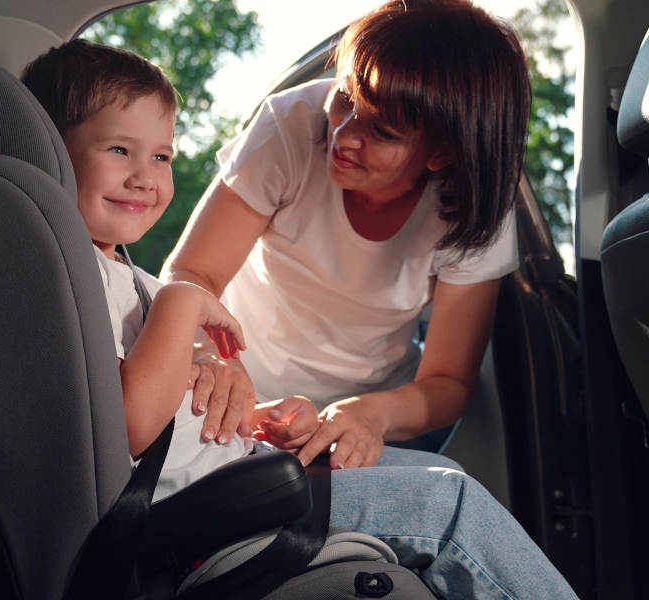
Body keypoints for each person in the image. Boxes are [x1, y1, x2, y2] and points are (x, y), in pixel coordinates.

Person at [21, 39, 577, 599]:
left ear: (439, 155)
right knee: (449, 506)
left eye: (161, 157)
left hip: (254, 456)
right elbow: (134, 418)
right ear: (50, 151)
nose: (342, 133)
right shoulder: (74, 274)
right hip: (211, 498)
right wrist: (190, 315)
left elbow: (170, 400)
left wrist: (257, 415)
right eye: (120, 150)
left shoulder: (129, 279)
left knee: (451, 478)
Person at [162, 0, 532, 469]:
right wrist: (207, 360)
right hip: (235, 396)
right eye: (346, 98)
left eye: (382, 131)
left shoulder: (477, 210)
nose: (343, 135)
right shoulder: (290, 125)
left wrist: (371, 416)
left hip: (372, 418)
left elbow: (448, 382)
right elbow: (193, 273)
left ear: (440, 153)